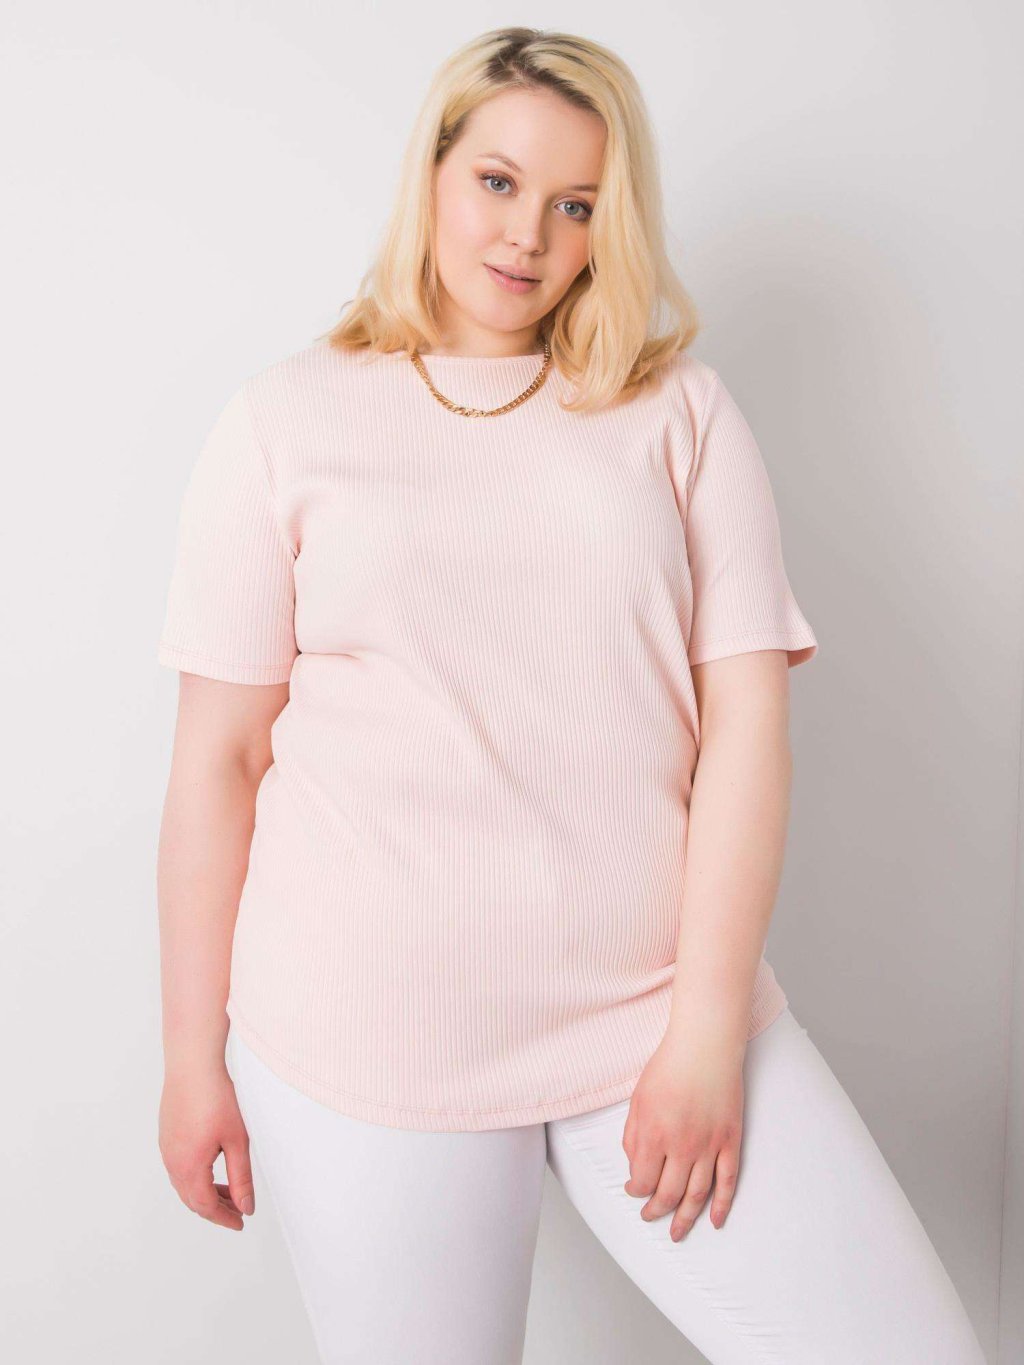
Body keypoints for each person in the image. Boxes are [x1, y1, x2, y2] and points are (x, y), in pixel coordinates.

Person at [155, 26, 987, 1365]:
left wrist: (706, 1035)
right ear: (432, 172)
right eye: (497, 182)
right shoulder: (282, 421)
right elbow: (220, 762)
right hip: (366, 1032)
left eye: (577, 204)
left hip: (651, 1009)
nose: (527, 235)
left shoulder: (680, 415)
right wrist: (191, 1057)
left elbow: (745, 736)